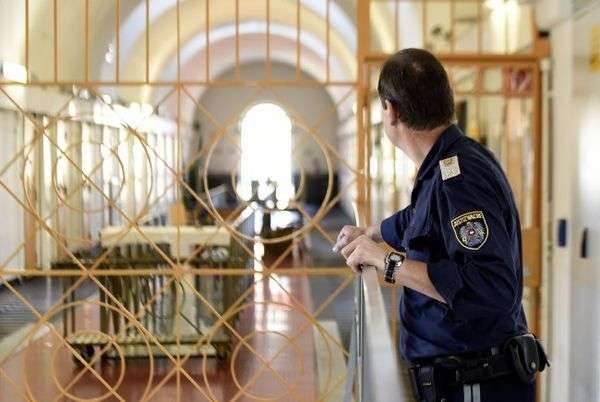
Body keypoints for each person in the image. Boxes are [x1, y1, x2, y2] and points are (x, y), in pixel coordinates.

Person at [332, 48, 547, 402]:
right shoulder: (448, 163)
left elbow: (491, 287)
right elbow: (422, 218)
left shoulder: (460, 175)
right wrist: (372, 233)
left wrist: (386, 261)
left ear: (391, 110)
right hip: (462, 377)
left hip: (476, 381)